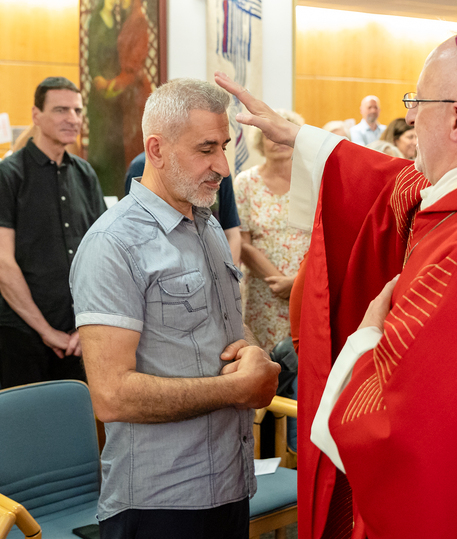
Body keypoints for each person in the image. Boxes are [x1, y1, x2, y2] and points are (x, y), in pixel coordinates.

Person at [217, 26, 457, 539]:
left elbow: (394, 428)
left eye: (418, 102)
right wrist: (303, 139)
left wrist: (368, 335)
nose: (411, 117)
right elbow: (395, 182)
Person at [71, 78, 280, 539]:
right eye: (206, 149)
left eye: (224, 147)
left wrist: (250, 351)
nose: (222, 166)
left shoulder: (205, 224)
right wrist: (236, 388)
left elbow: (223, 325)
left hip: (229, 480)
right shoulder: (113, 244)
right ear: (157, 149)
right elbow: (111, 395)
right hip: (161, 499)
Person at [0, 76, 106, 388]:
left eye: (77, 110)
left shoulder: (85, 174)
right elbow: (1, 264)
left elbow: (100, 256)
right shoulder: (8, 175)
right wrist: (46, 331)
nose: (72, 118)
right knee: (27, 418)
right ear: (36, 115)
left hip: (78, 333)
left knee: (79, 416)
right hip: (22, 332)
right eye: (61, 110)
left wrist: (86, 325)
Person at [234, 109, 311, 352]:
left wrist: (296, 283)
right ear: (260, 142)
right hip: (265, 291)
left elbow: (325, 236)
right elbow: (242, 242)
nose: (278, 140)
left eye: (283, 133)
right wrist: (279, 282)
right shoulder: (245, 182)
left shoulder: (312, 180)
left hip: (307, 287)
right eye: (270, 135)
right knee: (266, 360)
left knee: (306, 357)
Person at [88, 0, 152, 197]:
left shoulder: (137, 20)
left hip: (132, 95)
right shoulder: (117, 21)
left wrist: (114, 84)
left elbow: (133, 66)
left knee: (132, 153)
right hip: (119, 98)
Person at [124, 150, 242, 266]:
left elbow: (232, 232)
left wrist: (226, 272)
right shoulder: (141, 167)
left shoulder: (217, 172)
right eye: (206, 149)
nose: (224, 168)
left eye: (224, 147)